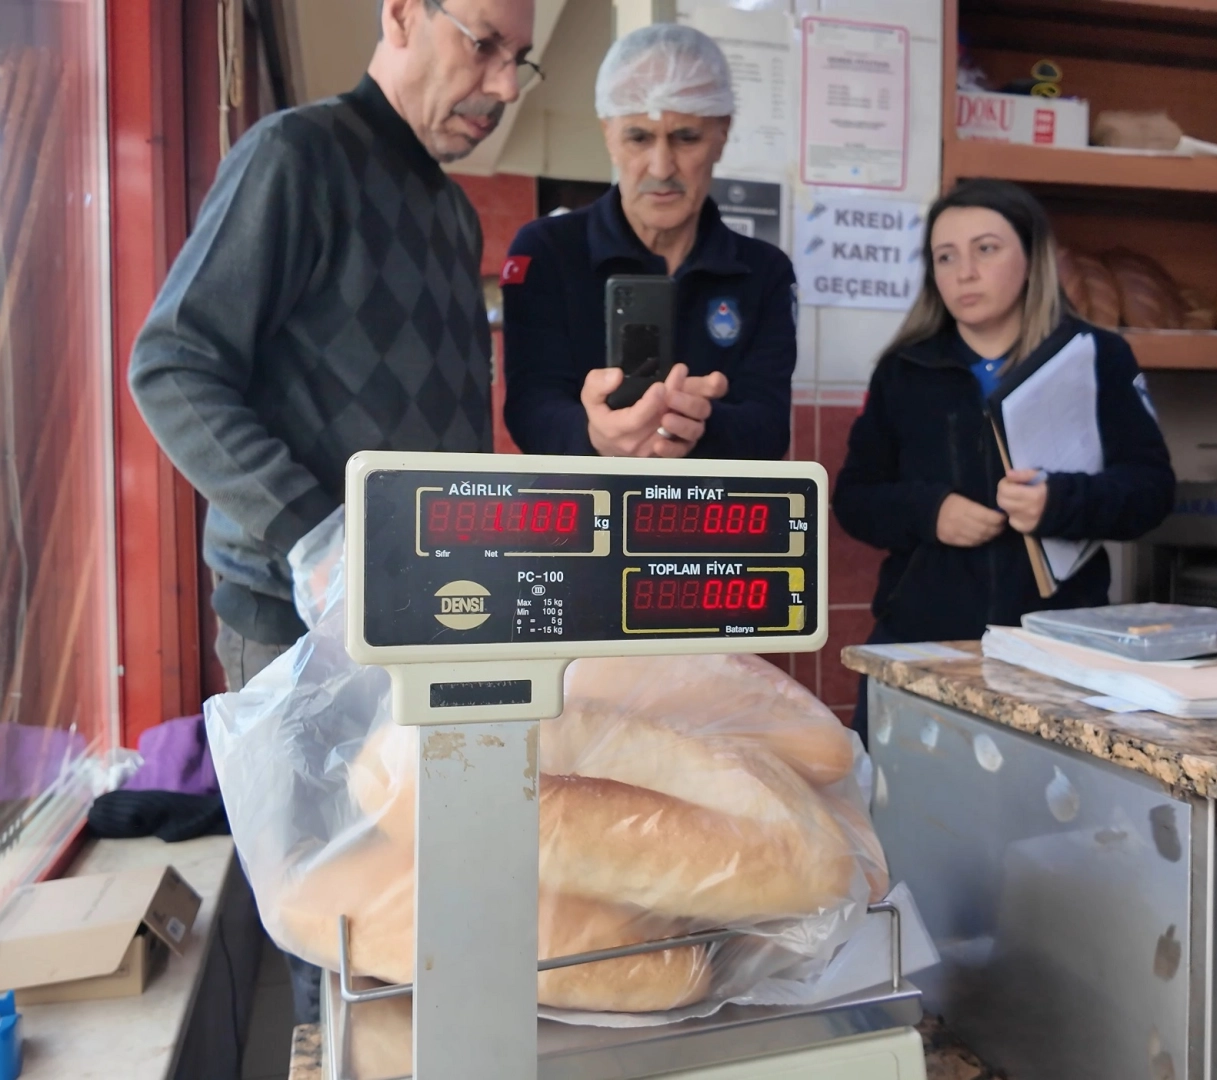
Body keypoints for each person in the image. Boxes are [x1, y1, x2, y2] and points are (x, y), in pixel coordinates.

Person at [129, 0, 535, 1025]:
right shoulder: (294, 156)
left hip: (422, 621)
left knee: (418, 907)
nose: (500, 85)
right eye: (483, 44)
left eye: (518, 61)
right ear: (402, 12)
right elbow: (172, 364)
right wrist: (320, 534)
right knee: (332, 922)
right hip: (293, 622)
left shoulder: (448, 212)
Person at [834, 180, 1176, 738]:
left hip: (1058, 650)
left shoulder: (1095, 356)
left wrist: (1061, 502)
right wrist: (930, 511)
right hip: (925, 641)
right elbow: (854, 498)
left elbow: (1152, 491)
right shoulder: (903, 370)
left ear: (1031, 257)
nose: (964, 272)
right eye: (945, 257)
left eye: (986, 249)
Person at [501, 24, 794, 460]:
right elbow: (530, 407)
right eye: (639, 137)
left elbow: (770, 428)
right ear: (608, 134)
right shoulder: (545, 251)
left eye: (686, 137)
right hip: (583, 519)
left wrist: (696, 423)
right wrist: (597, 434)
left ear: (722, 133)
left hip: (713, 519)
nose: (661, 166)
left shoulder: (765, 271)